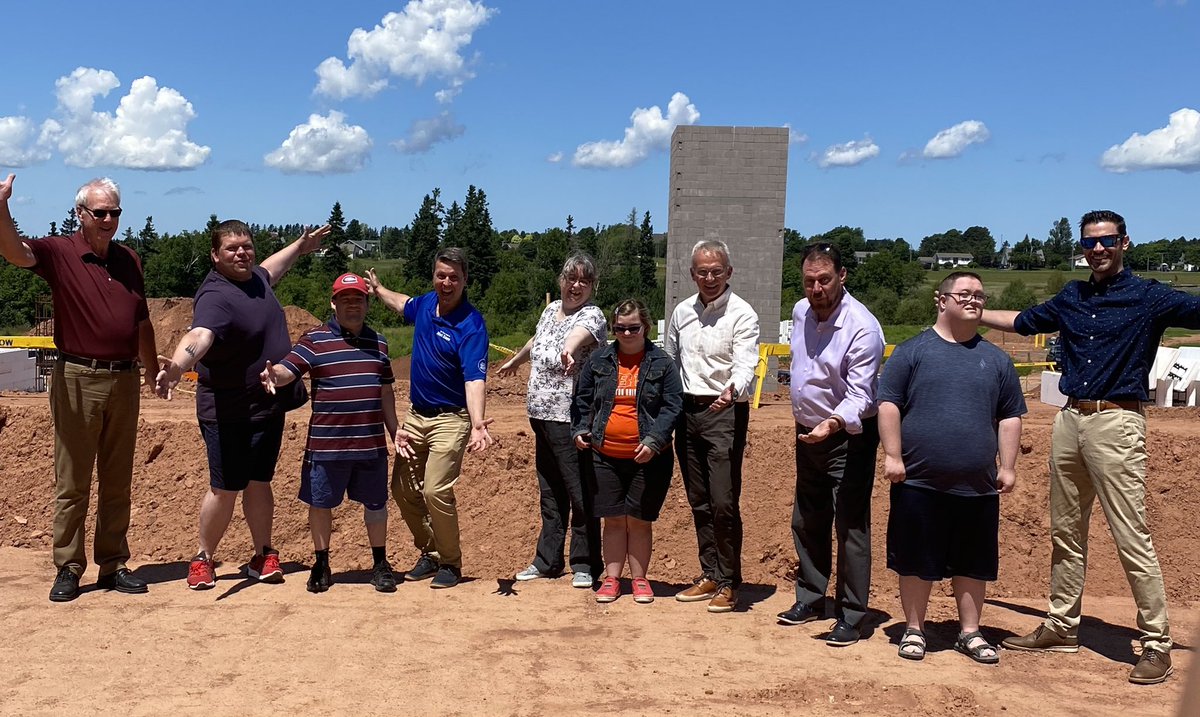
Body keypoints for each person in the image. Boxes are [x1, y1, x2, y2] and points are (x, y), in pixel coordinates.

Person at [981, 210, 1200, 685]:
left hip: (1118, 422)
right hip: (1069, 419)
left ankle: (1157, 642)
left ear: (1125, 242)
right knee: (1065, 531)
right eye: (1089, 243)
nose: (1097, 249)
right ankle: (1062, 626)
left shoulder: (1149, 296)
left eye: (1106, 241)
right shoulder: (1073, 296)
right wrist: (972, 311)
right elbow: (1022, 321)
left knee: (1130, 536)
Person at [0, 174, 158, 602]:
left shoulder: (130, 260)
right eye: (100, 212)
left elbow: (141, 319)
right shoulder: (59, 251)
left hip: (125, 379)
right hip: (77, 377)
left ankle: (113, 564)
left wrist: (151, 367)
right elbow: (13, 251)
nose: (109, 219)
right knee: (72, 479)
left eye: (115, 212)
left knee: (117, 478)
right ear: (81, 213)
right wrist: (2, 207)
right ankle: (68, 566)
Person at [156, 220, 329, 590]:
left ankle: (262, 554)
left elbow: (271, 268)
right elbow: (200, 335)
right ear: (215, 256)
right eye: (232, 248)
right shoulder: (216, 294)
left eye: (246, 246)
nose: (242, 253)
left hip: (266, 405)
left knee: (259, 481)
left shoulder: (255, 280)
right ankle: (204, 557)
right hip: (227, 409)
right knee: (225, 487)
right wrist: (177, 368)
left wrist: (299, 247)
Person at [878, 272, 1026, 664]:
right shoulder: (912, 352)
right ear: (940, 300)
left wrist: (1007, 466)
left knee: (973, 562)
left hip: (977, 485)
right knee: (916, 560)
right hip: (919, 481)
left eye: (979, 295)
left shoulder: (996, 359)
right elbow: (889, 404)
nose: (974, 300)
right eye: (964, 293)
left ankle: (970, 633)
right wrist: (893, 456)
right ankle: (913, 629)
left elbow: (1010, 416)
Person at [260, 273, 407, 594]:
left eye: (358, 299)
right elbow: (289, 368)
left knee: (376, 504)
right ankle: (322, 562)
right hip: (327, 446)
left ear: (367, 303)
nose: (352, 305)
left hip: (370, 445)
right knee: (321, 504)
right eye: (345, 299)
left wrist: (395, 430)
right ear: (333, 303)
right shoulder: (315, 339)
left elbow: (385, 393)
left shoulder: (379, 342)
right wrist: (276, 375)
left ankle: (379, 563)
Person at [367, 247, 494, 589]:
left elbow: (474, 379)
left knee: (436, 489)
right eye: (441, 275)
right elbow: (402, 303)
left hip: (450, 419)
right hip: (416, 416)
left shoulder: (471, 325)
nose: (447, 282)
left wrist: (478, 421)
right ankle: (431, 552)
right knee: (403, 489)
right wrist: (379, 291)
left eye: (454, 277)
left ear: (465, 280)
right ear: (434, 277)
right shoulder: (425, 304)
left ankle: (451, 563)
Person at [777, 243, 884, 646]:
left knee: (851, 525)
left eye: (824, 279)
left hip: (848, 436)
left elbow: (861, 396)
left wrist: (832, 423)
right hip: (807, 432)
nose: (816, 288)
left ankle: (852, 614)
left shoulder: (863, 328)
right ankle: (810, 596)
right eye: (809, 280)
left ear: (842, 276)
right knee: (807, 517)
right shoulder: (801, 312)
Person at [497, 253, 606, 588]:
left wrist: (568, 353)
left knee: (579, 491)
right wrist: (517, 359)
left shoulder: (593, 314)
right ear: (561, 279)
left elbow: (576, 338)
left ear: (592, 286)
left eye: (583, 281)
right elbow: (539, 339)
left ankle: (586, 564)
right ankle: (547, 561)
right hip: (540, 415)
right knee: (550, 491)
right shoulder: (549, 310)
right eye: (570, 278)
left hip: (569, 417)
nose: (575, 286)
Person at [664, 240, 759, 613]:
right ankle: (709, 574)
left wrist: (732, 390)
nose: (709, 278)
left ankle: (730, 581)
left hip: (724, 413)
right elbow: (671, 359)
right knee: (699, 501)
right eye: (702, 271)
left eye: (716, 271)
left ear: (729, 272)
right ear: (692, 274)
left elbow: (746, 362)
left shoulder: (742, 314)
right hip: (686, 413)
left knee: (723, 500)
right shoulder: (682, 312)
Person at [572, 300, 682, 604]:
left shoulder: (662, 363)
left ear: (645, 327)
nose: (626, 333)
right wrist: (581, 429)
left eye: (633, 327)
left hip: (648, 458)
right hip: (604, 456)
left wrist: (655, 440)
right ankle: (611, 579)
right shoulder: (599, 361)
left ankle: (640, 579)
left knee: (639, 519)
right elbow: (582, 399)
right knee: (614, 519)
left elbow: (672, 406)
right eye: (619, 328)